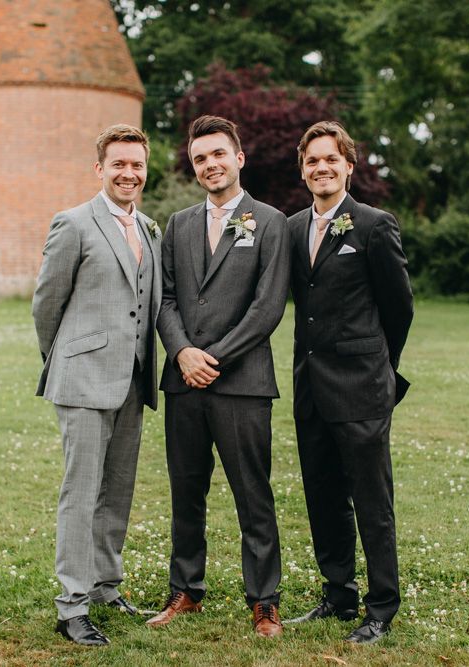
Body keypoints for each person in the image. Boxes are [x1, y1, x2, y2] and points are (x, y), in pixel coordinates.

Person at [149, 115, 289, 638]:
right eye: (200, 158)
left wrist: (215, 358)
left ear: (239, 158)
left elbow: (268, 306)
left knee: (253, 494)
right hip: (183, 382)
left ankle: (264, 601)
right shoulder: (179, 224)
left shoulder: (270, 221)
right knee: (186, 491)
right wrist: (183, 351)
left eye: (218, 154)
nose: (210, 165)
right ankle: (185, 592)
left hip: (243, 383)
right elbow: (163, 297)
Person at [32, 124, 161, 646]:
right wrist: (64, 357)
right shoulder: (73, 223)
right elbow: (46, 304)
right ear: (100, 169)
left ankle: (106, 587)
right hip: (83, 380)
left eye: (137, 165)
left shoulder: (150, 228)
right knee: (80, 493)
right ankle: (72, 606)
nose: (128, 174)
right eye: (118, 165)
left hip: (132, 380)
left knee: (117, 491)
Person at [287, 120, 413, 644]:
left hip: (362, 386)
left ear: (348, 165)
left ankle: (381, 605)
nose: (322, 167)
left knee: (371, 499)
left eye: (330, 159)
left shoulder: (374, 225)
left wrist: (380, 368)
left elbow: (399, 309)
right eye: (312, 160)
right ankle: (338, 593)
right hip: (310, 387)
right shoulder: (292, 229)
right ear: (303, 169)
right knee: (322, 494)